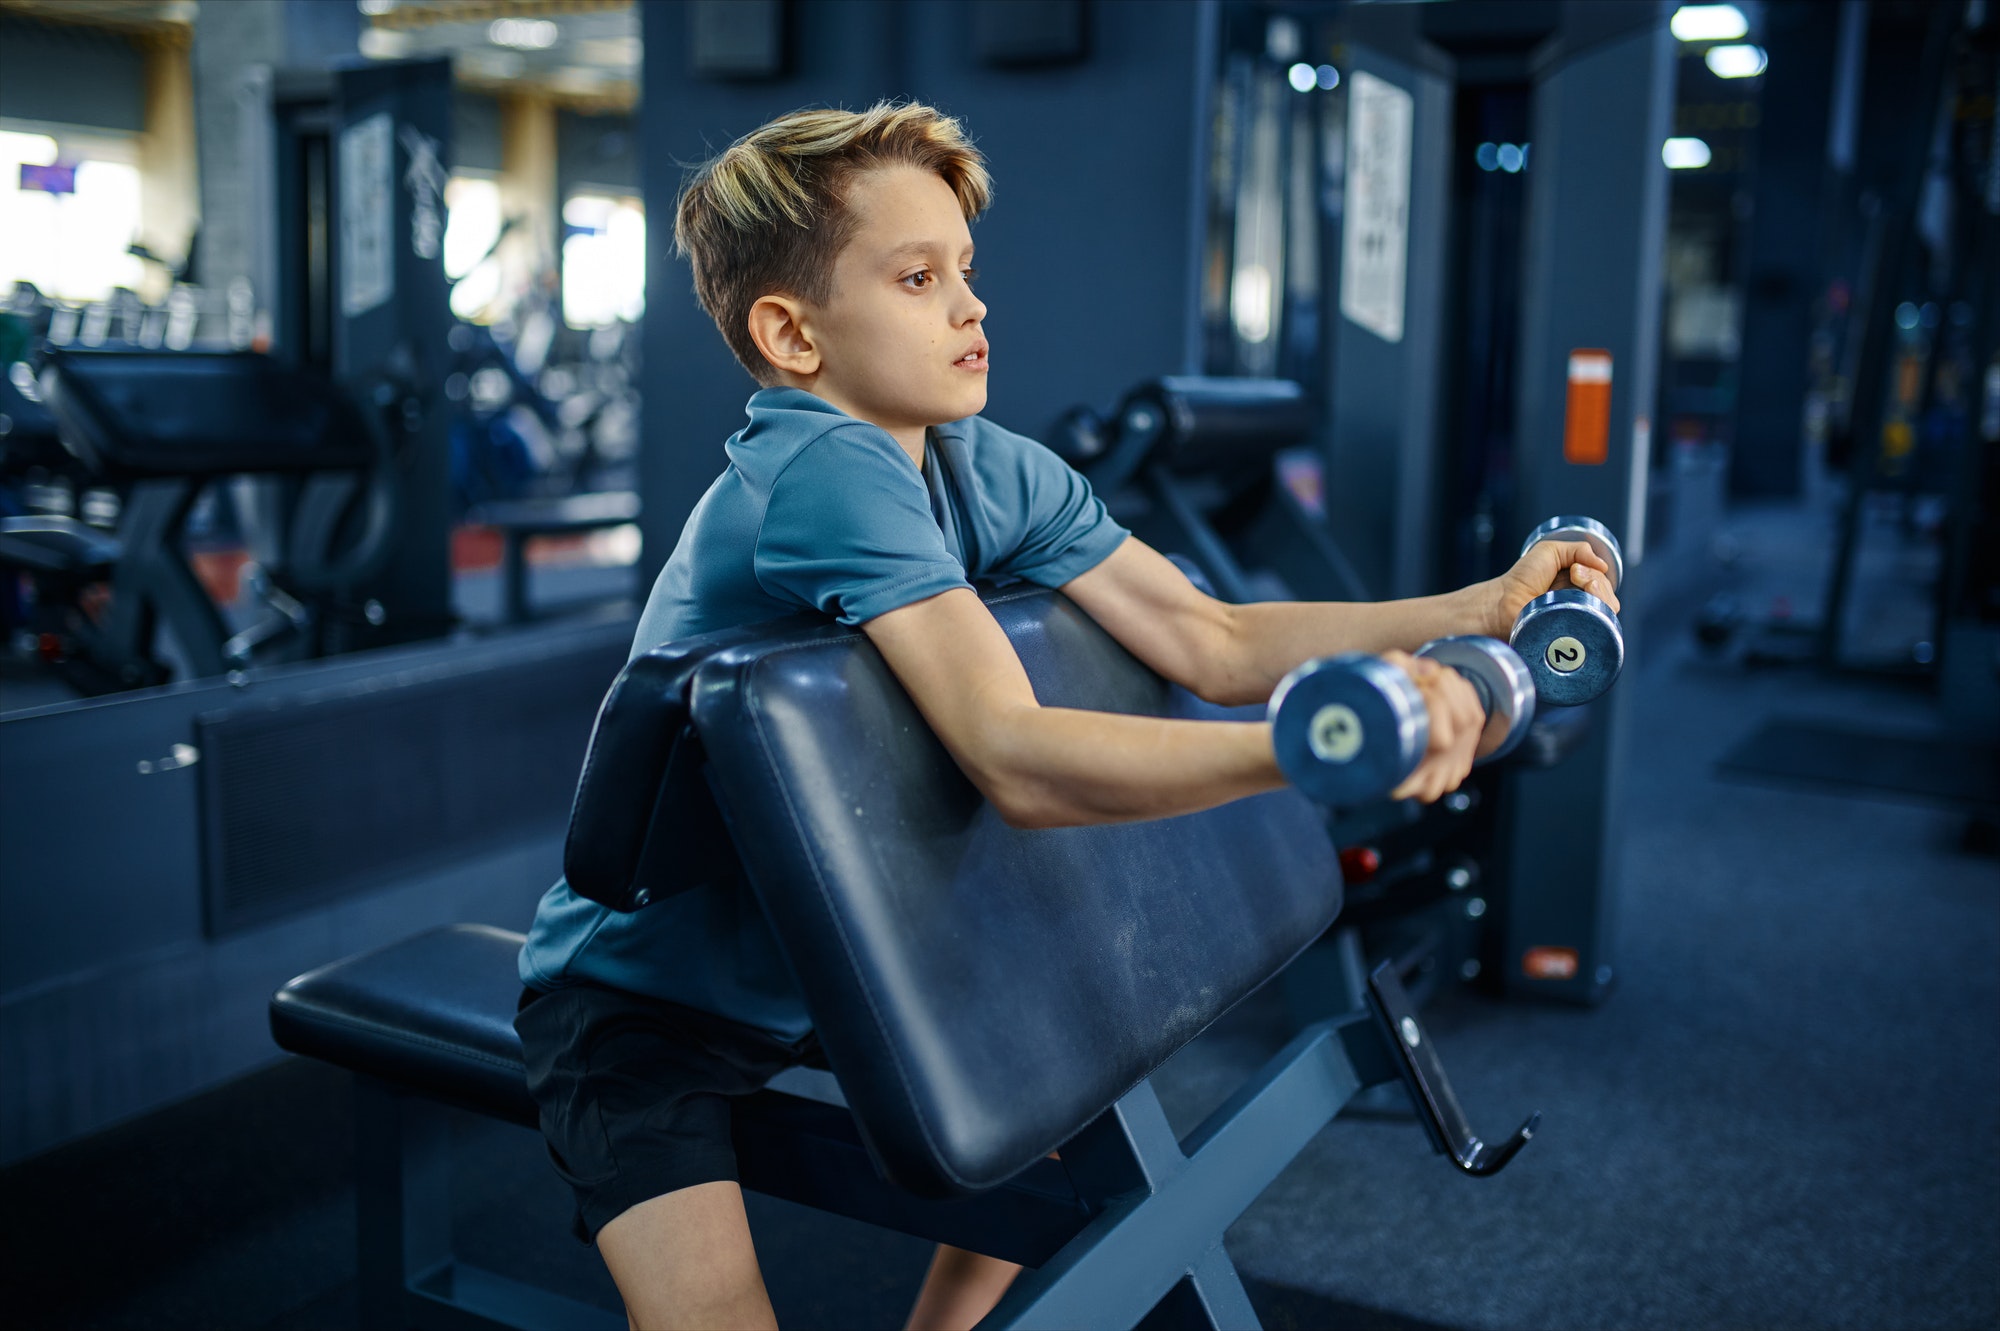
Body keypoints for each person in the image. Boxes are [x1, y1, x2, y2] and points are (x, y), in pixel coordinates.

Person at [515, 101, 1619, 1330]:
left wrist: (1481, 602)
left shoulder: (981, 462)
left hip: (833, 942)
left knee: (1067, 1085)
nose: (970, 307)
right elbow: (1016, 759)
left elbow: (1211, 636)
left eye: (966, 272)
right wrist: (1318, 742)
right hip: (641, 1001)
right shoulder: (818, 467)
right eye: (917, 278)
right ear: (791, 332)